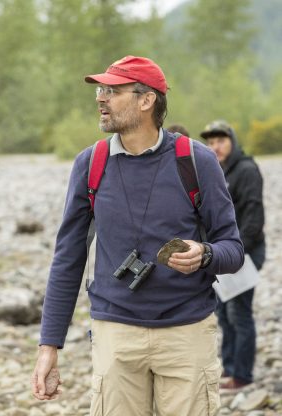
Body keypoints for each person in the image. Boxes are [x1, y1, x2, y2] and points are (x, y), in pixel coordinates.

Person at [32, 56, 244, 416]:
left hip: (187, 334)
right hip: (114, 334)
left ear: (146, 100)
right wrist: (49, 347)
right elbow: (68, 257)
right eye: (101, 89)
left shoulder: (195, 161)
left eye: (112, 91)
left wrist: (205, 254)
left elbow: (233, 249)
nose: (101, 98)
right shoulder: (90, 163)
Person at [200, 120, 265, 392]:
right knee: (224, 314)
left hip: (245, 252)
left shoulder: (247, 170)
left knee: (239, 314)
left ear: (232, 141)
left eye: (221, 141)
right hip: (223, 254)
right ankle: (229, 368)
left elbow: (253, 217)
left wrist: (239, 256)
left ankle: (243, 375)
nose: (216, 147)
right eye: (211, 142)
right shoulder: (216, 170)